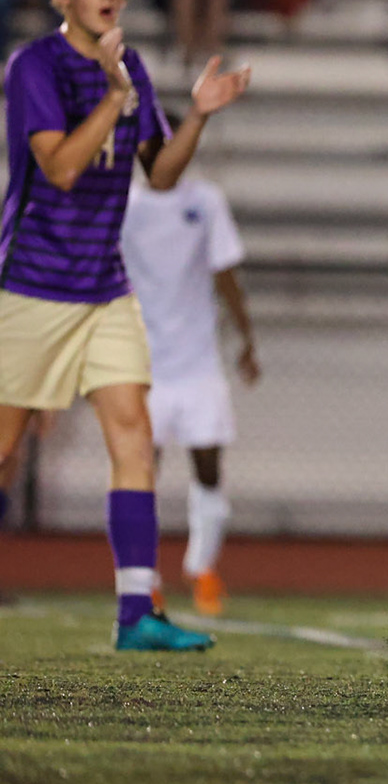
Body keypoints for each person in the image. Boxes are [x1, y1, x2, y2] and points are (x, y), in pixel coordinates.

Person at [0, 0, 250, 650]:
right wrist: (115, 95)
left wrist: (198, 114)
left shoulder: (130, 64)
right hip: (35, 284)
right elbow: (62, 169)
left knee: (134, 437)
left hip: (104, 287)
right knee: (5, 450)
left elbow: (161, 176)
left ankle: (136, 611)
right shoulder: (34, 66)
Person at [121, 141, 259, 617]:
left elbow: (225, 272)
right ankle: (145, 580)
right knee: (139, 473)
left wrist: (246, 337)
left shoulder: (205, 201)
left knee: (208, 469)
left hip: (198, 364)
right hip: (142, 366)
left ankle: (202, 569)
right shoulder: (124, 206)